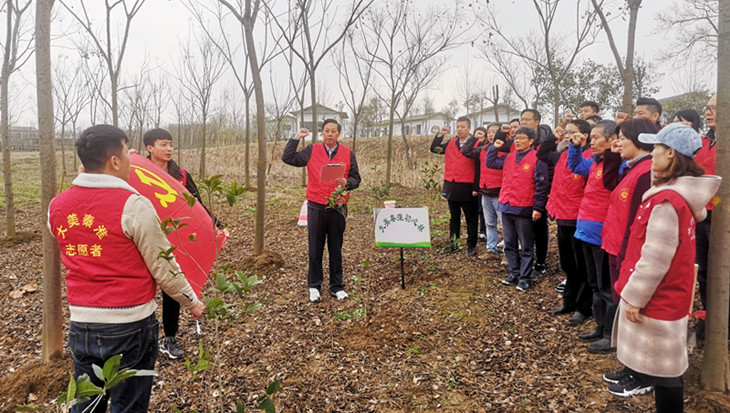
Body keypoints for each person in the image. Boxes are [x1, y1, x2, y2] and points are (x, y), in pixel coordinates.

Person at [48, 125, 205, 412]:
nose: (131, 161)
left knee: (86, 403)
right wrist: (191, 301)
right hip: (130, 325)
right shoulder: (134, 206)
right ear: (115, 161)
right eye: (126, 152)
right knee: (129, 405)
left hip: (82, 324)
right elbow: (163, 265)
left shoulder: (57, 206)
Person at [606, 123, 720, 412]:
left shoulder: (668, 203)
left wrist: (635, 297)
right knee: (662, 369)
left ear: (670, 153)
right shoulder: (675, 197)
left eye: (656, 149)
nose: (652, 154)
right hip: (667, 295)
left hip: (659, 299)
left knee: (665, 374)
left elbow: (655, 259)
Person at [143, 128, 219, 360]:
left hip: (174, 239)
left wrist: (214, 225)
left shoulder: (182, 176)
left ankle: (169, 338)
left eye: (171, 145)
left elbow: (197, 204)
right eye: (163, 145)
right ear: (149, 148)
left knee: (171, 286)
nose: (168, 149)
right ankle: (143, 335)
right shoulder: (136, 172)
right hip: (143, 238)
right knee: (142, 287)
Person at [282, 119, 361, 302]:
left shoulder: (348, 153)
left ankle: (337, 286)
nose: (330, 134)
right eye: (326, 131)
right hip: (316, 205)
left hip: (338, 206)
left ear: (339, 134)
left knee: (336, 247)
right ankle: (314, 285)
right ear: (322, 133)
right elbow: (288, 158)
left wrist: (347, 183)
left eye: (334, 131)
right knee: (315, 247)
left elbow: (356, 178)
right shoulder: (312, 150)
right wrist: (296, 138)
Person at [596, 119, 658, 353]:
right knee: (613, 293)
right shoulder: (633, 167)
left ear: (641, 140)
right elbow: (611, 185)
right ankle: (619, 342)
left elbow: (637, 222)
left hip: (626, 249)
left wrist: (625, 254)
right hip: (613, 243)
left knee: (627, 300)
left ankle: (628, 349)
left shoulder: (646, 173)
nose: (618, 143)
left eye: (622, 138)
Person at [568, 120, 617, 352]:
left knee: (606, 287)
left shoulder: (616, 166)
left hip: (602, 233)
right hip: (585, 230)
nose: (593, 141)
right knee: (595, 284)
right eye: (592, 137)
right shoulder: (596, 164)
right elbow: (576, 166)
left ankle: (610, 333)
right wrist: (575, 146)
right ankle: (600, 326)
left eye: (597, 137)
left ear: (612, 140)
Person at [541, 119, 593, 326]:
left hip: (580, 217)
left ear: (585, 136)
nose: (567, 136)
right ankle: (569, 301)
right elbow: (542, 154)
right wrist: (555, 135)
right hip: (562, 214)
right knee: (568, 264)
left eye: (573, 132)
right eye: (567, 132)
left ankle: (583, 307)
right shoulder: (563, 154)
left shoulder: (590, 157)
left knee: (582, 266)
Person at [486, 126, 549, 292]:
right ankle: (514, 273)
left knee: (526, 245)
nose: (518, 141)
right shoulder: (510, 157)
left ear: (531, 141)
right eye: (516, 138)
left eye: (522, 138)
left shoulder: (538, 158)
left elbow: (542, 186)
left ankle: (524, 277)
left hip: (524, 207)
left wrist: (538, 207)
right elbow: (490, 162)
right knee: (509, 243)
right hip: (506, 205)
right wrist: (494, 147)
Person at [430, 116, 480, 256]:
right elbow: (434, 149)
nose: (460, 129)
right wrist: (440, 135)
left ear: (469, 128)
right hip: (452, 185)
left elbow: (479, 167)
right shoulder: (451, 143)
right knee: (454, 217)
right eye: (458, 126)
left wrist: (477, 187)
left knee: (471, 218)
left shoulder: (476, 143)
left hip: (468, 186)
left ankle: (471, 245)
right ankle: (454, 242)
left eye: (463, 127)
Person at [694, 94, 720, 337]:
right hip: (702, 214)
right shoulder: (703, 142)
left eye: (714, 108)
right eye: (707, 107)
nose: (708, 112)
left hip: (722, 216)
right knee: (703, 270)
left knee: (722, 271)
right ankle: (709, 315)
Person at [518, 109, 553, 275]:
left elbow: (552, 165)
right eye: (522, 119)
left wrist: (550, 188)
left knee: (540, 227)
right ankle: (526, 259)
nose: (523, 122)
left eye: (527, 119)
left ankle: (541, 261)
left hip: (541, 188)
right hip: (522, 191)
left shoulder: (547, 141)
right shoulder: (519, 138)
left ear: (537, 122)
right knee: (524, 227)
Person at [462, 123, 505, 260]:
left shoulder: (506, 149)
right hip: (485, 192)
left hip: (500, 193)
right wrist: (474, 138)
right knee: (489, 224)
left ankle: (508, 253)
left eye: (495, 132)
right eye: (490, 132)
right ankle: (491, 249)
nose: (491, 134)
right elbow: (466, 151)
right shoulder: (483, 149)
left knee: (506, 226)